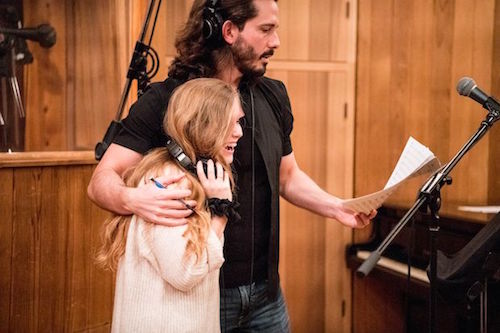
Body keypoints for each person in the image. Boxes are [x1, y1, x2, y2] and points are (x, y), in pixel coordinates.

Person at [88, 0, 376, 331]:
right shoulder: (165, 101)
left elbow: (288, 176)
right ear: (228, 31)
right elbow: (101, 181)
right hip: (200, 294)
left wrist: (336, 207)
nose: (276, 42)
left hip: (265, 296)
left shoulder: (273, 96)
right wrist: (131, 200)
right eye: (266, 29)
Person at [95, 78, 244, 333]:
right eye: (230, 122)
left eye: (239, 121)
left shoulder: (188, 178)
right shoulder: (170, 183)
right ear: (202, 126)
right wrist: (221, 213)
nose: (239, 131)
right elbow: (185, 273)